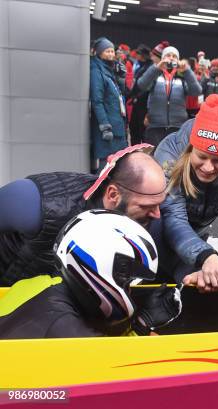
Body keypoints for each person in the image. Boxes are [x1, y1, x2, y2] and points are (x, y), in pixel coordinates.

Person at [0, 144, 167, 286]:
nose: (157, 214)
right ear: (113, 195)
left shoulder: (149, 222)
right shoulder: (35, 202)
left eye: (159, 204)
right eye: (148, 206)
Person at [0, 210, 181, 339]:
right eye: (128, 280)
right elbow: (116, 369)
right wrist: (143, 323)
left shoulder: (37, 283)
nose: (130, 290)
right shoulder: (66, 330)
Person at [154, 95, 218, 289]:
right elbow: (172, 217)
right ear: (190, 149)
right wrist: (207, 256)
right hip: (161, 230)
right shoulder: (169, 156)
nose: (208, 168)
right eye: (202, 157)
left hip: (197, 235)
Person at [136, 45, 202, 147]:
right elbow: (141, 85)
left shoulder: (182, 77)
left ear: (178, 60)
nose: (171, 58)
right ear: (162, 59)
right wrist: (157, 67)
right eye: (168, 55)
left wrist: (187, 71)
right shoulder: (155, 74)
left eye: (174, 56)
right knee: (155, 159)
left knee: (175, 160)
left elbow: (196, 91)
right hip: (155, 126)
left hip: (177, 126)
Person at [90, 37, 128, 172]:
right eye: (107, 51)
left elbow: (121, 96)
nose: (111, 54)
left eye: (112, 51)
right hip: (108, 130)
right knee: (105, 169)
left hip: (118, 126)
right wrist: (104, 126)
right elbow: (97, 100)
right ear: (99, 53)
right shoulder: (96, 71)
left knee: (118, 167)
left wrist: (121, 79)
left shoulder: (110, 71)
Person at [129, 44, 153, 146]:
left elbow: (145, 86)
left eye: (138, 53)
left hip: (144, 103)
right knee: (134, 128)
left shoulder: (150, 68)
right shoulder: (139, 66)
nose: (136, 55)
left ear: (143, 55)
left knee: (142, 130)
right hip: (136, 101)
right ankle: (135, 151)